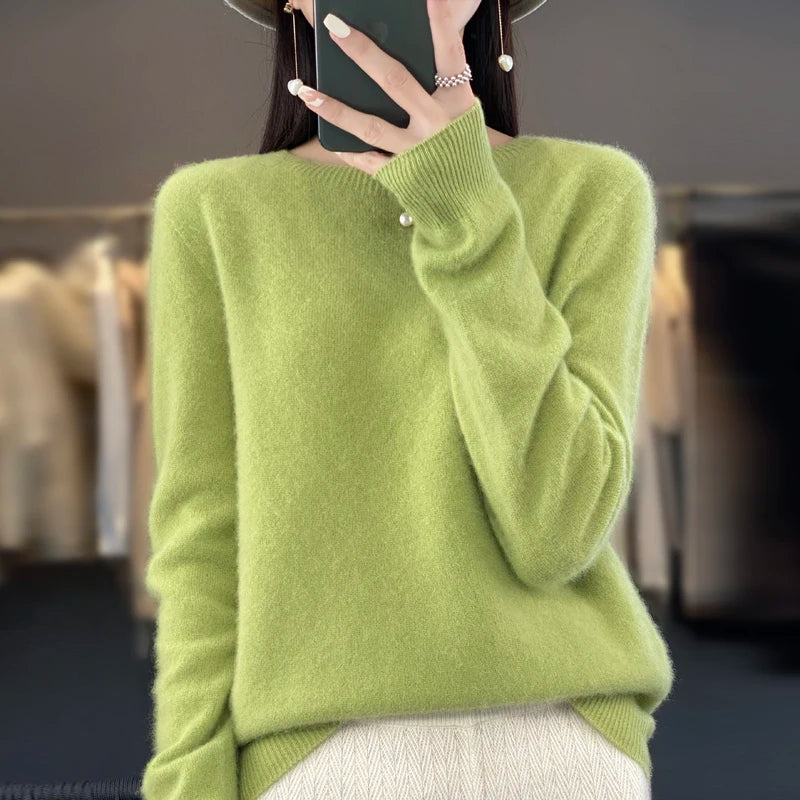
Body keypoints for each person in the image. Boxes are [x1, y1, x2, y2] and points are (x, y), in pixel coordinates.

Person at [140, 1, 675, 799]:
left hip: (568, 746)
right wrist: (188, 777)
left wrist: (465, 205)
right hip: (317, 759)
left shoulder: (594, 191)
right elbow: (201, 534)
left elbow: (559, 531)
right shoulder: (215, 212)